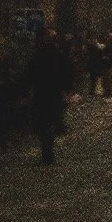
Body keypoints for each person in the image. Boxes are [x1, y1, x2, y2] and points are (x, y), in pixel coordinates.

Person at [28, 30, 72, 166]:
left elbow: (29, 73)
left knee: (44, 121)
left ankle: (46, 150)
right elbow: (67, 73)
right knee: (51, 119)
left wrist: (26, 89)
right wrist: (67, 89)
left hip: (42, 92)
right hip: (54, 92)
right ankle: (49, 147)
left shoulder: (38, 55)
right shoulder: (59, 55)